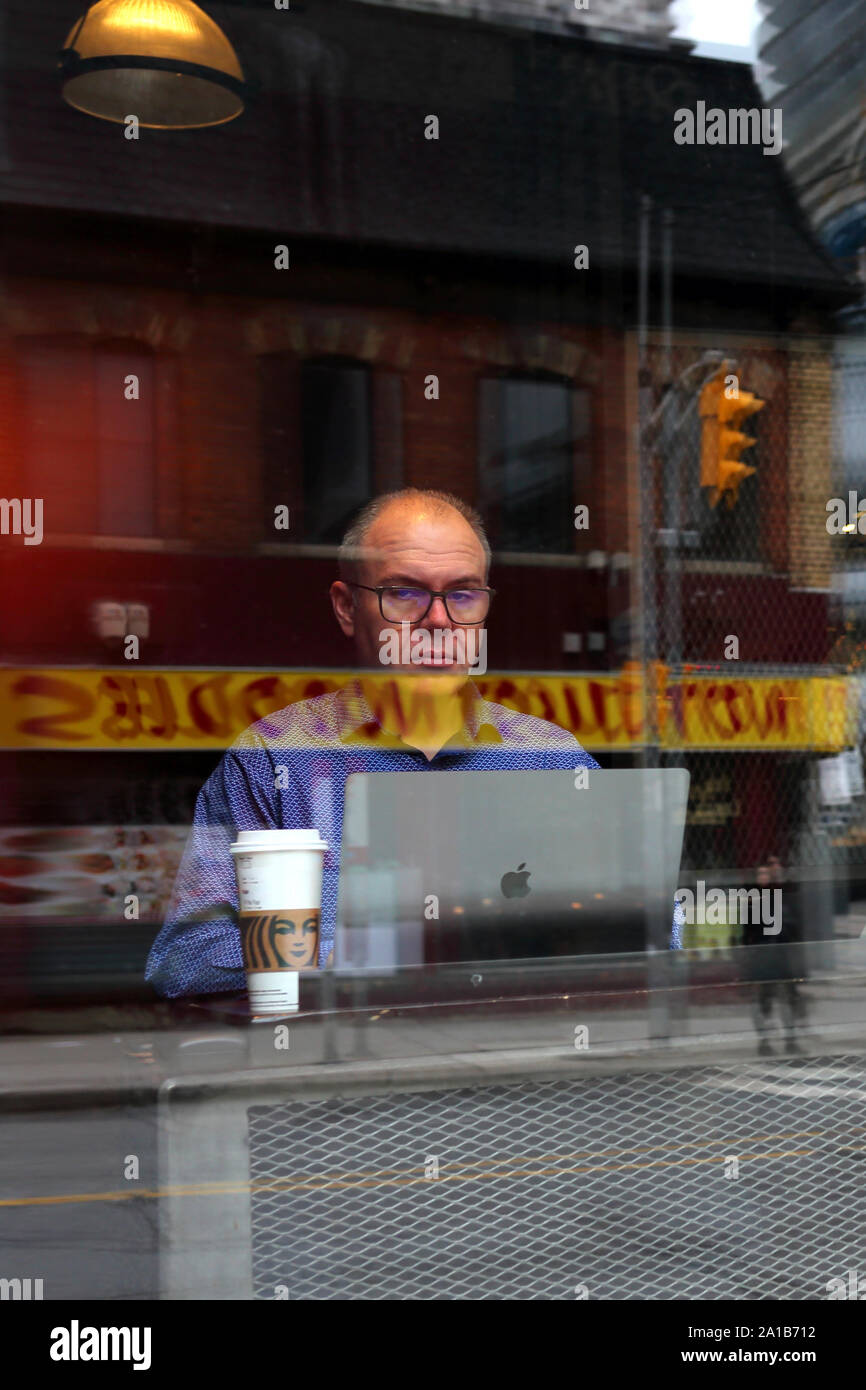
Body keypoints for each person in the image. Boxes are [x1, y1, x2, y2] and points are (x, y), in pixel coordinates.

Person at [145, 488, 674, 998]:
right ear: (347, 607)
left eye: (463, 594)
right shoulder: (272, 760)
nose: (438, 621)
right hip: (345, 1078)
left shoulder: (550, 760)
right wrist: (365, 961)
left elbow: (656, 932)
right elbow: (186, 957)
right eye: (404, 592)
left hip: (517, 1071)